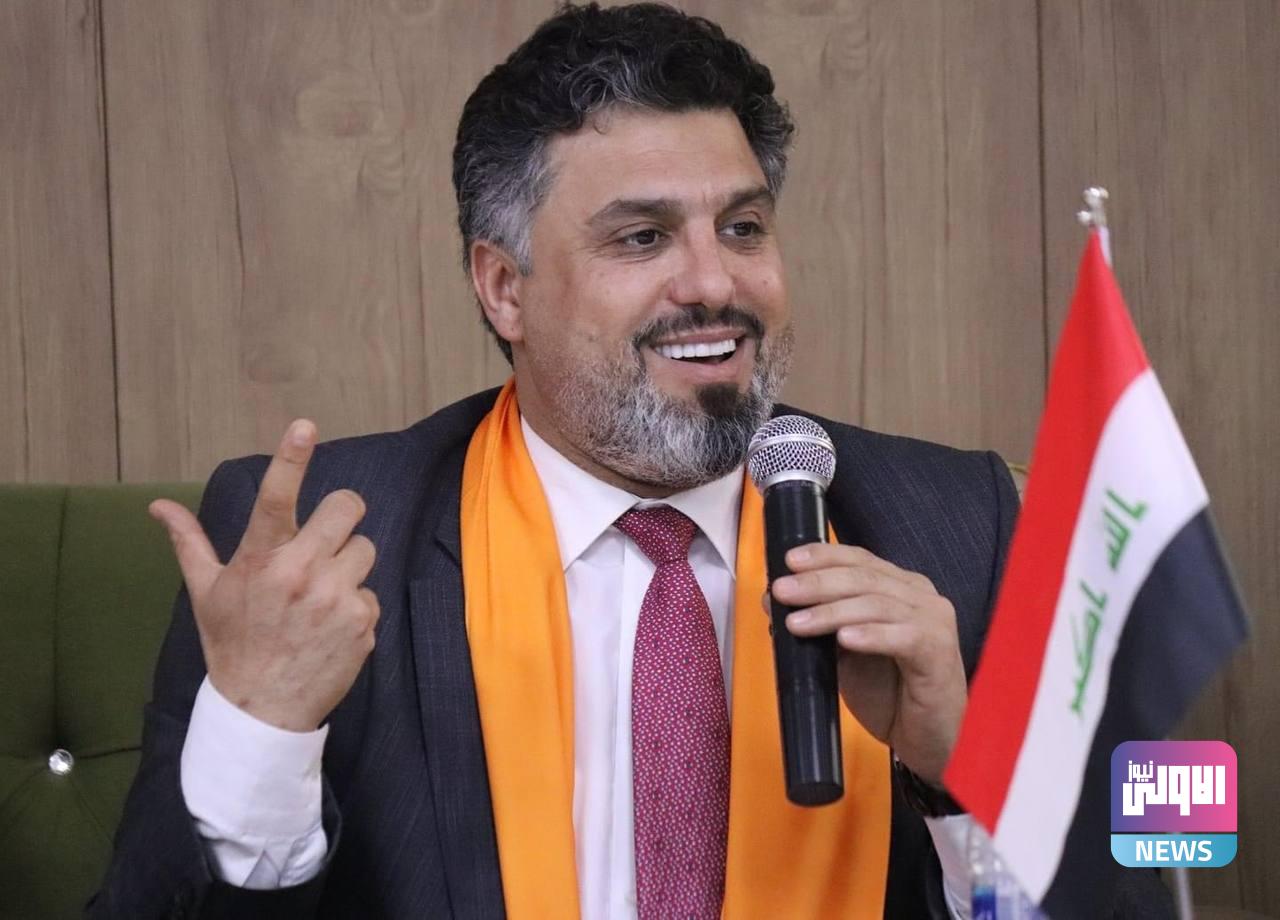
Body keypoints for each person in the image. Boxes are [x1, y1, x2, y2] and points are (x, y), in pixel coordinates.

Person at [88, 4, 1166, 918]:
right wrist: (261, 737)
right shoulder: (320, 545)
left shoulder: (958, 525)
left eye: (742, 227)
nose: (715, 284)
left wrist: (961, 767)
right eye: (641, 238)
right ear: (503, 288)